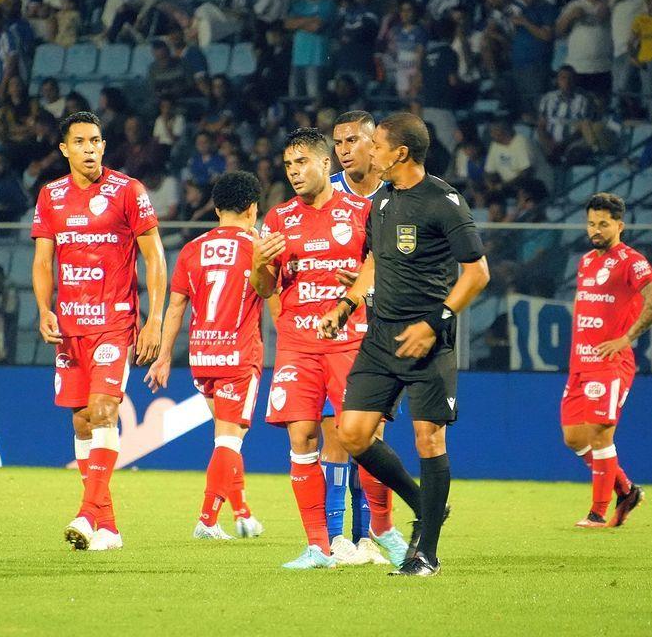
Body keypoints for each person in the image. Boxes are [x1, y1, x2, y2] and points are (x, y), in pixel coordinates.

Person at [317, 112, 490, 576]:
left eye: (376, 145)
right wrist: (347, 304)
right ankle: (424, 503)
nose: (369, 152)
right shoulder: (384, 202)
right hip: (380, 339)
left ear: (400, 153)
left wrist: (436, 322)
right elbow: (374, 260)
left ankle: (426, 553)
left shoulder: (444, 201)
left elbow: (477, 273)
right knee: (352, 433)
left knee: (428, 439)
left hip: (426, 340)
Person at [250, 127, 400, 570]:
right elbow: (264, 287)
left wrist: (359, 295)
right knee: (302, 438)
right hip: (298, 345)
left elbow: (382, 267)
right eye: (289, 166)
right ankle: (318, 546)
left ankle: (382, 530)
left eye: (302, 163)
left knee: (365, 437)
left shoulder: (362, 211)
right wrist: (259, 264)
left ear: (325, 165)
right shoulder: (278, 219)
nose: (294, 172)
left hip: (351, 341)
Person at [31, 111, 166, 552]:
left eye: (96, 141)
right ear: (64, 149)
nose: (90, 149)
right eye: (81, 142)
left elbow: (154, 258)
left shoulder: (128, 191)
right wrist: (42, 309)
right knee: (83, 419)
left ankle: (87, 514)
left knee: (104, 410)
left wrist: (155, 319)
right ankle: (108, 528)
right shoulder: (50, 196)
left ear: (104, 145)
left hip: (115, 322)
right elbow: (42, 261)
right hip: (70, 327)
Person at [145, 171, 267, 540]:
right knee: (229, 439)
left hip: (202, 356)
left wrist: (164, 355)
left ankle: (243, 513)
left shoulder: (192, 248)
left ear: (216, 209)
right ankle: (207, 520)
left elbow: (177, 306)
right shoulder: (257, 247)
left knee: (224, 436)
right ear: (252, 208)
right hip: (238, 353)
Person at [561, 192, 652, 529]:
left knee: (600, 436)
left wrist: (626, 338)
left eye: (603, 224)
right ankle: (627, 490)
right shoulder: (586, 261)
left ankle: (597, 511)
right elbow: (584, 306)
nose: (595, 229)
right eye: (591, 223)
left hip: (610, 363)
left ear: (619, 225)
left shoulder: (631, 260)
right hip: (581, 362)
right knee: (574, 438)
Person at [323, 110, 394, 566]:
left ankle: (369, 535)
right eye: (339, 142)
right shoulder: (326, 193)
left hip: (385, 331)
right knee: (336, 435)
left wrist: (371, 281)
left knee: (371, 434)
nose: (345, 149)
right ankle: (334, 538)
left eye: (354, 140)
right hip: (335, 334)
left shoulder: (398, 195)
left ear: (375, 144)